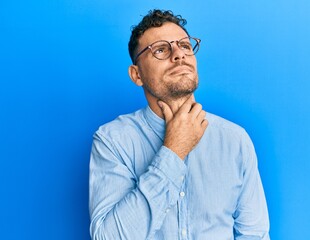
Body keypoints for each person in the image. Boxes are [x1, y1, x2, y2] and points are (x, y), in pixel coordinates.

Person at [89, 9, 270, 240]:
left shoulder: (235, 140)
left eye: (185, 46)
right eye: (161, 49)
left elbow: (254, 235)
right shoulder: (112, 140)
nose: (179, 55)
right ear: (136, 75)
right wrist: (174, 150)